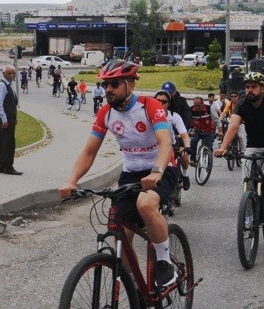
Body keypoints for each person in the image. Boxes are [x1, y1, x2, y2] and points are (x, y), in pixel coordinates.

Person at [58, 60, 179, 289]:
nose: (108, 90)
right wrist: (72, 181)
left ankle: (163, 263)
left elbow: (166, 145)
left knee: (145, 204)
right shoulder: (106, 113)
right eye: (105, 85)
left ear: (130, 85)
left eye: (114, 84)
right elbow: (89, 152)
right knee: (120, 231)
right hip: (131, 173)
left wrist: (157, 171)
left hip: (161, 168)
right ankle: (133, 288)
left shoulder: (149, 106)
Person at [214, 72, 264, 218]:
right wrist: (223, 147)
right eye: (247, 87)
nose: (250, 90)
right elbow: (233, 126)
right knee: (246, 180)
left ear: (263, 88)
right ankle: (249, 215)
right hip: (253, 146)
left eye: (254, 87)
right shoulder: (241, 104)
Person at [153, 89, 191, 192]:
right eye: (157, 101)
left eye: (164, 102)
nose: (160, 104)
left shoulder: (174, 116)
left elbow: (184, 134)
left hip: (171, 146)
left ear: (169, 104)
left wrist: (187, 146)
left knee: (184, 155)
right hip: (153, 146)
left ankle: (185, 175)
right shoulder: (148, 115)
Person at [0, 66, 21, 174]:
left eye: (13, 73)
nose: (11, 76)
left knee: (6, 143)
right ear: (3, 74)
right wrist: (5, 120)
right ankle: (7, 167)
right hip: (5, 120)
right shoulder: (2, 85)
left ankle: (2, 165)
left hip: (10, 118)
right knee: (8, 144)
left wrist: (14, 117)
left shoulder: (9, 86)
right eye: (9, 73)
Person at [188, 95, 217, 169]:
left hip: (209, 131)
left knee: (209, 147)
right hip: (197, 131)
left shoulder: (209, 108)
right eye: (195, 105)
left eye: (198, 105)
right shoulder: (191, 110)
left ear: (202, 103)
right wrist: (189, 130)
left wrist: (220, 130)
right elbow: (188, 121)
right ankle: (193, 159)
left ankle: (209, 164)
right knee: (193, 141)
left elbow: (216, 119)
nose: (197, 108)